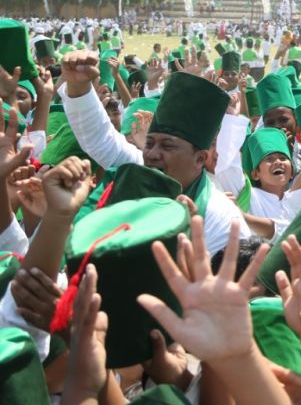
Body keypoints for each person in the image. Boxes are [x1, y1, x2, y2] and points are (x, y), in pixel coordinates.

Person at [58, 50, 250, 253]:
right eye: (149, 143)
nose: (151, 154)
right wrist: (79, 86)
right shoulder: (141, 170)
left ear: (200, 158)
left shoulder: (222, 219)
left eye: (167, 146)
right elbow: (100, 139)